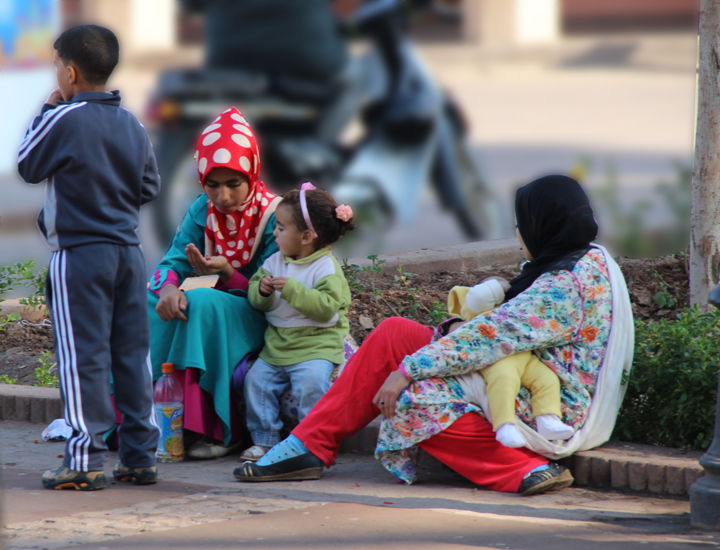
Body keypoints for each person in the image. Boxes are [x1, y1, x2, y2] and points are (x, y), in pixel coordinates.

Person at [234, 175, 634, 496]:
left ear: (544, 224)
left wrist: (406, 371)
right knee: (393, 333)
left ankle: (523, 468)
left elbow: (489, 337)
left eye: (522, 223)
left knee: (413, 401)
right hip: (515, 368)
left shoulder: (566, 285)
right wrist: (443, 336)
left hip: (545, 403)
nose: (517, 232)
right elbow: (499, 328)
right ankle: (309, 446)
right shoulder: (580, 255)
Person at [17, 25, 161, 490]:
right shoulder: (132, 123)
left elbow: (27, 162)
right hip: (128, 253)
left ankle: (83, 459)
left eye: (57, 64)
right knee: (132, 355)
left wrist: (47, 108)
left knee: (83, 359)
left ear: (70, 72)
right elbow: (149, 186)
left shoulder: (66, 117)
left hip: (79, 255)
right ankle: (140, 456)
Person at [148, 107, 281, 459]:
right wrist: (168, 288)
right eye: (212, 184)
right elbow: (172, 261)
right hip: (216, 303)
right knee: (153, 299)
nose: (222, 197)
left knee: (202, 303)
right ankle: (154, 421)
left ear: (251, 173)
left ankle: (218, 430)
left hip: (260, 310)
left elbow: (272, 287)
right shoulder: (201, 209)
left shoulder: (273, 215)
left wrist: (227, 275)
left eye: (233, 184)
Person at [240, 183, 355, 462]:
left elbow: (327, 309)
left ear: (305, 236)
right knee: (256, 381)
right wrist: (262, 291)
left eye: (280, 227)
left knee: (311, 383)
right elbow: (255, 297)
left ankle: (311, 439)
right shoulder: (275, 261)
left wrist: (292, 290)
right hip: (278, 346)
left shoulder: (326, 268)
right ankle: (265, 440)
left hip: (316, 347)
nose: (274, 232)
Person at [446, 279, 574, 448]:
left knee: (548, 378)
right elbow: (476, 302)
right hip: (497, 359)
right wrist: (494, 287)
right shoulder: (474, 313)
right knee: (504, 380)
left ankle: (548, 418)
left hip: (523, 356)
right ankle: (505, 425)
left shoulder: (511, 308)